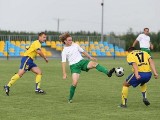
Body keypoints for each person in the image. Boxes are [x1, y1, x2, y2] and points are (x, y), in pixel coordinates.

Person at [59, 32, 115, 103]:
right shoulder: (64, 51)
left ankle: (108, 73)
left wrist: (90, 57)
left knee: (94, 64)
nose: (71, 41)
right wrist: (64, 73)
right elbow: (63, 62)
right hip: (74, 66)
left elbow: (83, 51)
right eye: (69, 40)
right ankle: (70, 98)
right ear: (65, 41)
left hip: (82, 62)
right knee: (75, 82)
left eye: (71, 40)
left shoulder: (75, 45)